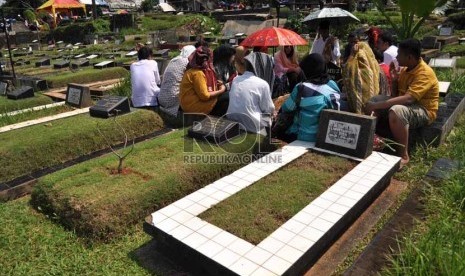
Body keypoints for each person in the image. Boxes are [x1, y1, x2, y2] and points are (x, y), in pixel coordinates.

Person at [365, 38, 439, 166]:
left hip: (424, 110)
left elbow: (409, 99)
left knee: (397, 111)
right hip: (407, 105)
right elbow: (396, 96)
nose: (397, 57)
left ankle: (403, 154)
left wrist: (377, 106)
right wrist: (394, 81)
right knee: (374, 99)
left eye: (399, 54)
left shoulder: (425, 73)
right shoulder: (405, 69)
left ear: (409, 57)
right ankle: (371, 138)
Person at [278, 53, 342, 142]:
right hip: (324, 138)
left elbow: (287, 108)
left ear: (308, 70)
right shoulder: (333, 86)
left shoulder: (302, 88)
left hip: (300, 136)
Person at [226, 52, 275, 135]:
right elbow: (268, 109)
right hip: (252, 126)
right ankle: (267, 139)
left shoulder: (236, 79)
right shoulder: (262, 84)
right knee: (270, 117)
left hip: (232, 120)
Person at [179, 46, 226, 115]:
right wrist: (221, 90)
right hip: (193, 107)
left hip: (188, 103)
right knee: (226, 99)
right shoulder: (198, 73)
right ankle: (215, 122)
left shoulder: (192, 70)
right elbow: (205, 96)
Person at [342, 41, 380, 114]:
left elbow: (345, 72)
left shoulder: (352, 67)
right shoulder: (375, 67)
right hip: (372, 109)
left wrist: (352, 55)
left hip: (355, 109)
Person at [158, 45, 196, 117]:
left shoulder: (173, 60)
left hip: (161, 98)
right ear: (191, 53)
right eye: (194, 54)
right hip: (173, 99)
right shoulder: (187, 62)